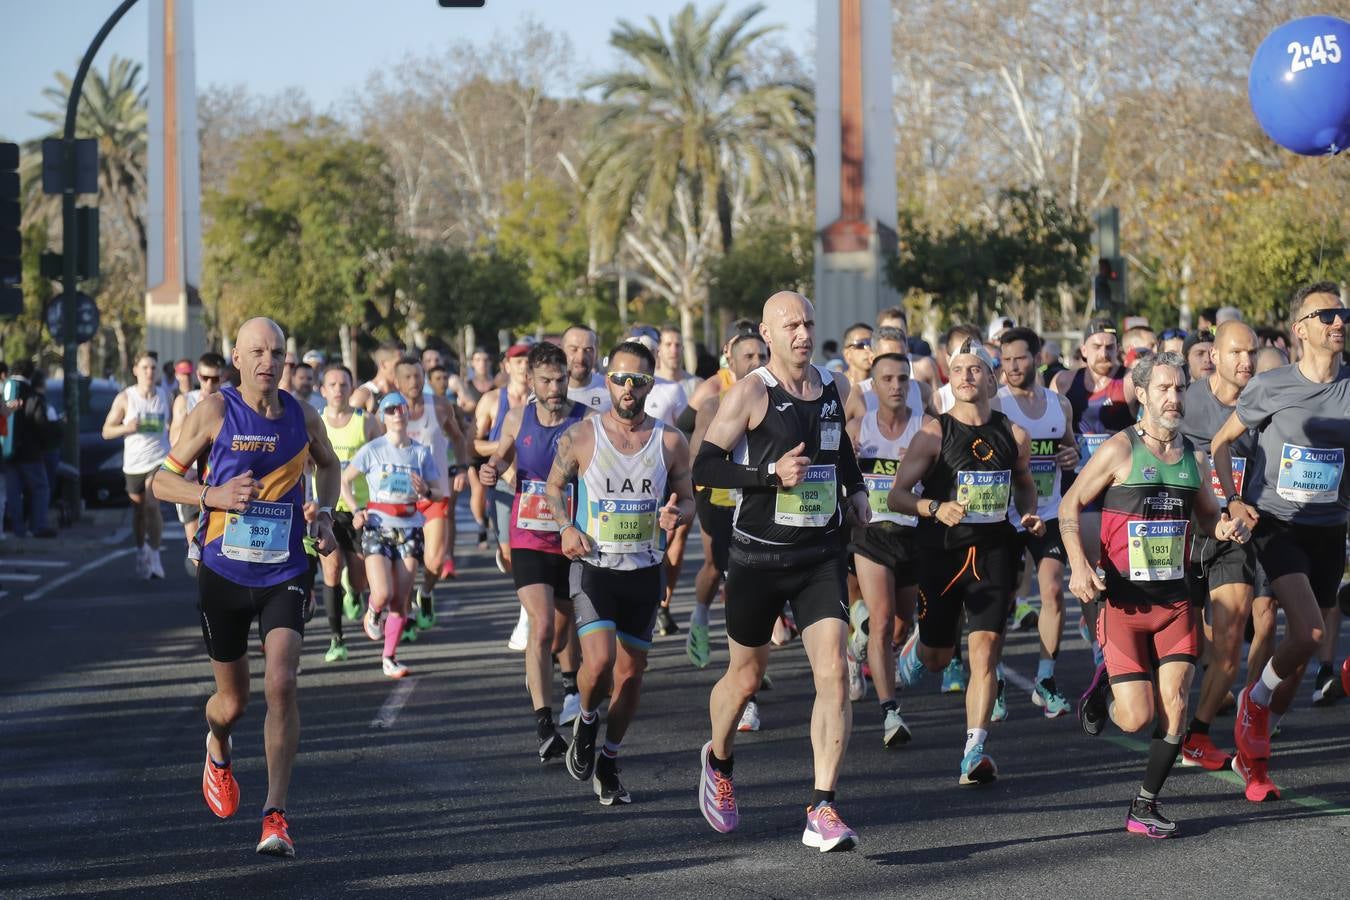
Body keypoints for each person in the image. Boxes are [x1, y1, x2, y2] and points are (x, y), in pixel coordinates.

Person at [152, 317, 341, 859]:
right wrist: (211, 496)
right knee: (232, 704)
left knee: (282, 683)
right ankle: (217, 742)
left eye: (276, 352)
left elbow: (329, 466)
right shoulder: (215, 411)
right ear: (236, 358)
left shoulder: (303, 416)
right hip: (224, 574)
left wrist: (327, 516)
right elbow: (161, 481)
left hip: (285, 570)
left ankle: (274, 814)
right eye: (256, 351)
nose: (268, 361)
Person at [692, 291, 869, 853]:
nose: (802, 333)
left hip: (819, 556)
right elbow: (705, 467)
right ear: (767, 334)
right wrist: (770, 475)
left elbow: (838, 451)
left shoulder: (834, 387)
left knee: (834, 672)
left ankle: (822, 806)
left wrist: (856, 490)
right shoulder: (751, 392)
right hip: (758, 559)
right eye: (790, 325)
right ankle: (719, 761)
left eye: (808, 323)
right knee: (745, 678)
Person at [1065, 351, 1248, 838]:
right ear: (1142, 394)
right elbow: (1069, 505)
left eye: (1180, 388)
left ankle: (1144, 804)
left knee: (1177, 705)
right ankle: (1105, 686)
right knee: (1135, 718)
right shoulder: (1119, 450)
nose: (1174, 398)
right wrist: (1079, 564)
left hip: (1175, 603)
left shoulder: (1194, 457)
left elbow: (1207, 518)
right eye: (1164, 388)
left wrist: (1226, 526)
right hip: (1124, 604)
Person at [1213, 282, 1350, 796]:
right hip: (1277, 524)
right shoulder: (1271, 386)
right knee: (1310, 633)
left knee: (1294, 672)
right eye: (1326, 315)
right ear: (1300, 330)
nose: (1339, 322)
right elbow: (1221, 444)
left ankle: (1253, 755)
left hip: (1330, 529)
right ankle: (1252, 702)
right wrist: (1232, 501)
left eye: (1343, 314)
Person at [890, 339, 1044, 784]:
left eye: (975, 370)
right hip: (941, 552)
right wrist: (935, 508)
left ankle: (974, 750)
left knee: (986, 651)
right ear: (949, 378)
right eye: (958, 370)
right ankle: (920, 647)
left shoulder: (1014, 435)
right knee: (938, 659)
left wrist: (1028, 513)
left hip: (993, 552)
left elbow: (1025, 484)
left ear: (992, 379)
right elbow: (898, 496)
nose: (966, 377)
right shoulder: (934, 433)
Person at [549, 340, 695, 804]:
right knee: (598, 664)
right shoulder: (581, 436)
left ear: (651, 385)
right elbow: (553, 487)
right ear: (608, 379)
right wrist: (566, 526)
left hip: (645, 571)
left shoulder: (670, 441)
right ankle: (587, 718)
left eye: (638, 380)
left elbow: (689, 500)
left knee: (631, 676)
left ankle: (609, 760)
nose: (628, 387)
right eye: (620, 378)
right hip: (595, 567)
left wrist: (677, 515)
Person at [479, 343, 591, 760]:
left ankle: (570, 687)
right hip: (527, 536)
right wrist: (491, 469)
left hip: (571, 535)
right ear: (530, 381)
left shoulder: (586, 420)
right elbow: (499, 458)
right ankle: (544, 724)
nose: (555, 387)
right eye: (546, 380)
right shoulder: (516, 417)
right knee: (541, 626)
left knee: (564, 627)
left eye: (561, 379)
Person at [1175, 321, 1271, 780]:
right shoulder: (1185, 400)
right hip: (1180, 535)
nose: (1245, 362)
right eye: (1236, 352)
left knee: (1230, 644)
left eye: (1251, 352)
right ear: (1214, 355)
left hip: (1233, 537)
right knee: (1185, 647)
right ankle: (1163, 722)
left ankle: (1197, 734)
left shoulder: (1265, 404)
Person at [995, 327, 1078, 716]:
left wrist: (1070, 456)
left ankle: (1045, 679)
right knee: (1001, 599)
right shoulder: (995, 405)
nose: (1012, 366)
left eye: (1020, 358)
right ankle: (993, 678)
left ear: (1038, 357)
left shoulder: (1059, 405)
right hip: (1003, 515)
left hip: (1048, 511)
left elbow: (1071, 448)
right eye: (1006, 359)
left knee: (1054, 591)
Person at [845, 352, 926, 746]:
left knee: (900, 625)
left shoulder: (926, 429)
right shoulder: (857, 429)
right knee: (880, 619)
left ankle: (859, 649)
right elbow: (837, 479)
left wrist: (924, 465)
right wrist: (850, 463)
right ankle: (890, 712)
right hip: (871, 534)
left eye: (902, 379)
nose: (896, 386)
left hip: (912, 535)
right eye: (887, 379)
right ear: (873, 386)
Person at [1052, 318, 1136, 663]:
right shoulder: (1063, 382)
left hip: (1119, 489)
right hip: (1081, 487)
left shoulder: (1128, 382)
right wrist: (1064, 451)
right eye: (1097, 346)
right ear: (1083, 350)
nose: (1104, 353)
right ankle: (1099, 647)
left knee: (1119, 568)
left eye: (1110, 347)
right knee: (1087, 567)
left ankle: (1121, 632)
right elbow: (1054, 431)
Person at [342, 392, 441, 679]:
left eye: (401, 408)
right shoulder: (372, 449)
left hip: (410, 527)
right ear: (382, 417)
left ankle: (389, 657)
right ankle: (373, 612)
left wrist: (425, 491)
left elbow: (437, 493)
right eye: (390, 409)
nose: (397, 413)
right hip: (378, 526)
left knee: (400, 600)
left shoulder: (420, 453)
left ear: (408, 414)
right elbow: (344, 480)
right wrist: (356, 510)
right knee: (383, 593)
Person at [397, 357, 470, 630]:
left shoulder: (439, 406)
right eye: (407, 377)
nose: (414, 382)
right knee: (406, 566)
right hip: (401, 498)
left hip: (435, 494)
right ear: (397, 382)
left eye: (418, 376)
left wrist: (461, 468)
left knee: (435, 562)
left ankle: (426, 592)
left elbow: (458, 438)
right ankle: (405, 618)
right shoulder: (389, 411)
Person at [315, 363, 381, 663]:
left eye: (344, 384)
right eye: (332, 384)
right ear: (323, 390)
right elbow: (304, 467)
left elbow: (381, 461)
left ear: (352, 389)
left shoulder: (366, 421)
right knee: (330, 569)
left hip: (360, 511)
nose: (338, 390)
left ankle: (353, 592)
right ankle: (336, 639)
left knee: (359, 575)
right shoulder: (315, 423)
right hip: (327, 509)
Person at [103, 354, 172, 578]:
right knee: (139, 511)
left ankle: (156, 556)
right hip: (134, 463)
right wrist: (127, 427)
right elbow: (106, 431)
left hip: (159, 459)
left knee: (152, 506)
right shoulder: (125, 398)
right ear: (135, 370)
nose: (149, 372)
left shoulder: (166, 395)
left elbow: (173, 424)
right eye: (144, 368)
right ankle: (141, 550)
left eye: (153, 367)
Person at [475, 344, 533, 583]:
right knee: (509, 555)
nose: (523, 367)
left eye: (528, 361)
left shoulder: (543, 399)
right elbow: (474, 444)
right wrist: (505, 444)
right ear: (507, 366)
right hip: (504, 483)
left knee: (535, 551)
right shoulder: (492, 400)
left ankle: (530, 598)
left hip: (535, 483)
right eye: (518, 362)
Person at [170, 352, 227, 561]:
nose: (209, 384)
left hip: (221, 477)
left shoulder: (231, 401)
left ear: (223, 377)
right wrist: (196, 419)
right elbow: (174, 441)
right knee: (195, 548)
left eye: (215, 379)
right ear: (198, 376)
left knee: (221, 541)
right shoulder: (185, 401)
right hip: (192, 476)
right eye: (205, 378)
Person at [5, 362, 58, 539]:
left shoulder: (5, 392)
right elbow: (40, 425)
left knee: (13, 492)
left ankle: (17, 528)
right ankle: (38, 526)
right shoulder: (32, 395)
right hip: (30, 453)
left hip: (7, 452)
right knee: (40, 488)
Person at [453, 346, 498, 547]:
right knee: (478, 489)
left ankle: (496, 521)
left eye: (485, 360)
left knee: (497, 488)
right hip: (474, 444)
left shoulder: (498, 386)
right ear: (472, 363)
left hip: (496, 443)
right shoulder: (466, 387)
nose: (482, 364)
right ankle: (481, 525)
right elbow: (459, 412)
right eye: (478, 360)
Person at [563, 325, 611, 412]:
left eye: (588, 350)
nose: (580, 358)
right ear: (561, 351)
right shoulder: (546, 391)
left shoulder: (611, 390)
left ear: (596, 354)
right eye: (574, 349)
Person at [350, 341, 404, 413]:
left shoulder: (404, 392)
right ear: (383, 364)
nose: (404, 367)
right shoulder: (363, 395)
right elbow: (351, 419)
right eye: (399, 363)